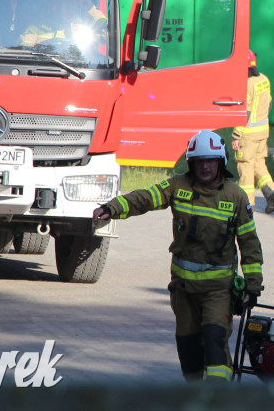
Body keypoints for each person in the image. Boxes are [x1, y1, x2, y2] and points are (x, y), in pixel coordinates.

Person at [92, 129, 263, 382]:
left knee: (215, 341)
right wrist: (112, 208)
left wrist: (252, 287)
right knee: (188, 350)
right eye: (199, 161)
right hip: (183, 290)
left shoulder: (235, 197)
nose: (205, 166)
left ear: (221, 162)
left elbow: (249, 244)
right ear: (191, 163)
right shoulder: (178, 186)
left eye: (210, 160)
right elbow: (146, 198)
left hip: (218, 291)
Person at [232, 50, 274, 213]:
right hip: (263, 132)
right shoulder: (264, 79)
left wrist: (236, 136)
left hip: (248, 134)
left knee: (245, 167)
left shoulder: (246, 85)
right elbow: (270, 103)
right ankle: (271, 192)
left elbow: (243, 114)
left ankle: (247, 204)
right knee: (259, 164)